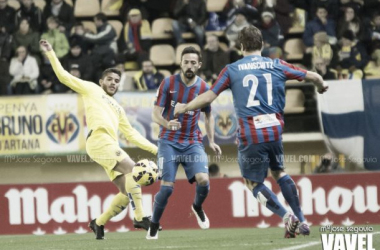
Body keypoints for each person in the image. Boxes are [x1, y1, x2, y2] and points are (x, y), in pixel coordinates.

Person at [174, 25, 328, 238]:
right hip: (274, 129)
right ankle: (301, 219)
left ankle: (286, 217)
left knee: (253, 183)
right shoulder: (276, 64)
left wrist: (184, 107)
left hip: (251, 132)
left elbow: (209, 97)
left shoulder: (232, 69)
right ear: (262, 44)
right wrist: (320, 85)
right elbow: (312, 76)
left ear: (241, 46)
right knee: (279, 172)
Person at [40, 39, 159, 240]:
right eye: (110, 79)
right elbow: (63, 76)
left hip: (109, 145)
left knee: (126, 189)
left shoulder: (118, 108)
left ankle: (98, 222)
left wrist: (156, 150)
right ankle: (140, 217)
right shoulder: (92, 89)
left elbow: (131, 134)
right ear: (101, 81)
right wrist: (51, 53)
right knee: (135, 171)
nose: (113, 83)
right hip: (99, 139)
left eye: (116, 81)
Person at [147, 46, 222, 240]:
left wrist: (212, 141)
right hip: (168, 142)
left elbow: (209, 116)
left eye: (193, 63)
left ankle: (197, 207)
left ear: (199, 65)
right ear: (180, 63)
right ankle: (154, 224)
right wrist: (166, 123)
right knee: (166, 188)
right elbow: (155, 113)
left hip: (192, 142)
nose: (189, 66)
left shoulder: (204, 87)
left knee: (204, 181)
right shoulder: (168, 83)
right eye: (186, 62)